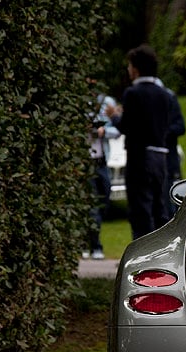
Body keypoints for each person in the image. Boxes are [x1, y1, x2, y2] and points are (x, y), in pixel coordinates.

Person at [105, 44, 170, 240]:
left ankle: (142, 253)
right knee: (159, 207)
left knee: (140, 209)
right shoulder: (164, 94)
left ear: (136, 68)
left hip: (140, 157)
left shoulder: (133, 93)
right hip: (161, 155)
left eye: (130, 66)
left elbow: (127, 127)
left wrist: (114, 117)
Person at [85, 91, 121, 260]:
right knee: (92, 207)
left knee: (104, 200)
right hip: (86, 163)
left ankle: (88, 241)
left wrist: (102, 131)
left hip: (102, 161)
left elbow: (118, 129)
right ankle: (94, 246)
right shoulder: (80, 103)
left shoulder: (106, 102)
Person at [154, 77, 186, 217]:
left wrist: (162, 132)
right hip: (154, 160)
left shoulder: (170, 99)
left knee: (171, 199)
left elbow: (180, 127)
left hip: (168, 158)